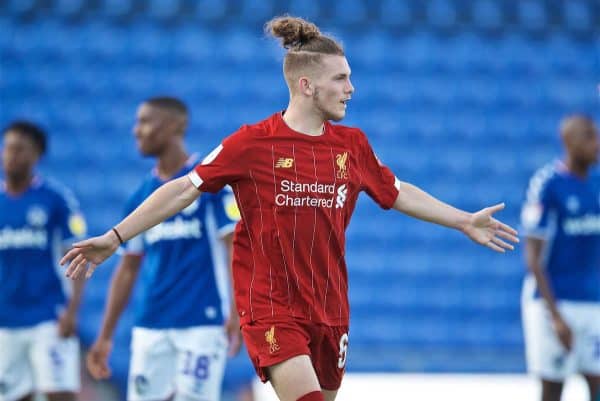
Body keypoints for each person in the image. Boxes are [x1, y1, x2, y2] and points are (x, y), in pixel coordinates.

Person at [61, 16, 519, 401]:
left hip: (331, 306)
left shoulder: (353, 145)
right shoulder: (252, 143)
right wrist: (115, 237)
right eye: (341, 79)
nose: (351, 89)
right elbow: (183, 188)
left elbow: (396, 191)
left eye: (350, 78)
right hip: (271, 306)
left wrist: (462, 219)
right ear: (306, 85)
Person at [84, 97, 242, 401]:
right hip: (151, 323)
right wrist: (105, 336)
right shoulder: (142, 197)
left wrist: (237, 312)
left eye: (145, 121)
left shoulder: (209, 184)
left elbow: (233, 248)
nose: (136, 131)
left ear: (175, 126)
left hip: (203, 321)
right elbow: (128, 267)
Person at [0, 121, 87, 401]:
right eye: (8, 148)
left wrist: (72, 311)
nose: (11, 155)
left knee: (58, 392)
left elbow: (79, 255)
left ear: (36, 155)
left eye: (20, 149)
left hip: (48, 315)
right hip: (5, 318)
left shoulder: (55, 199)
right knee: (15, 395)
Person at [520, 115, 600, 401]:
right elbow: (533, 258)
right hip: (554, 302)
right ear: (570, 141)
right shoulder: (548, 184)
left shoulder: (596, 185)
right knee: (553, 389)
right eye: (590, 137)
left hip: (592, 301)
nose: (597, 144)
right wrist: (555, 317)